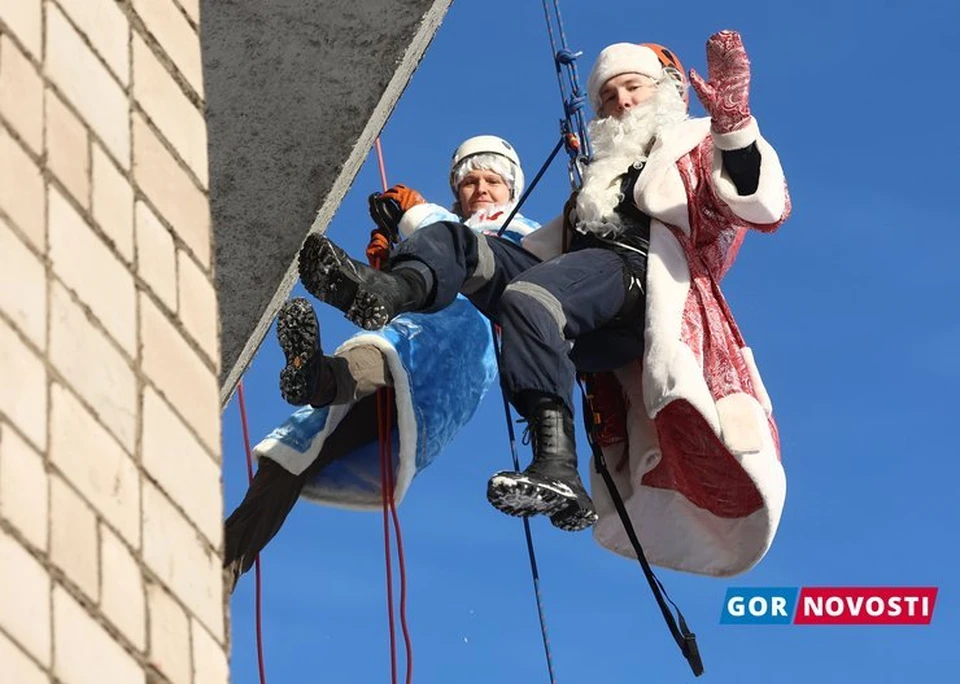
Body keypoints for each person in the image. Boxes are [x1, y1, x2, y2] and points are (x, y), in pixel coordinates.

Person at [290, 29, 791, 574]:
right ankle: (383, 293)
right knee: (465, 245)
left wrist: (735, 128)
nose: (619, 102)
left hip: (638, 285)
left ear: (664, 92)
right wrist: (419, 244)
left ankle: (557, 466)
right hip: (581, 289)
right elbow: (534, 250)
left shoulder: (692, 148)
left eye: (632, 88)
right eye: (607, 95)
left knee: (531, 297)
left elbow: (754, 206)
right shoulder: (597, 182)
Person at [224, 136, 541, 592]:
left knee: (386, 356)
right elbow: (437, 248)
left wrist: (418, 216)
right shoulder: (441, 230)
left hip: (454, 347)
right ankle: (220, 566)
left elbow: (477, 249)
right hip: (398, 341)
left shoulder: (518, 230)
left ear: (511, 189)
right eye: (470, 181)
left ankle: (322, 379)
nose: (481, 190)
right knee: (291, 458)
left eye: (492, 180)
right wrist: (395, 258)